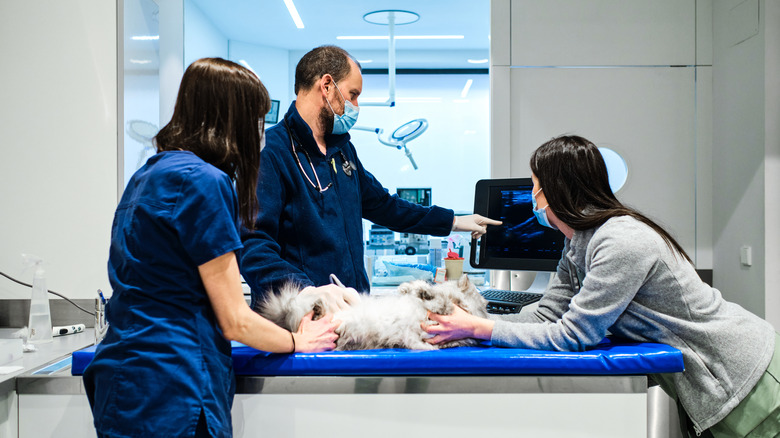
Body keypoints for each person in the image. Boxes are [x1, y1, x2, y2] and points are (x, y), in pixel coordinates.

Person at [424, 135, 780, 437]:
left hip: (744, 377)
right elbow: (548, 315)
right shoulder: (577, 241)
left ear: (552, 192)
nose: (532, 196)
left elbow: (572, 336)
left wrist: (480, 328)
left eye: (534, 186)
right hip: (710, 381)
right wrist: (470, 317)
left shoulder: (620, 242)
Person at [83, 58, 339, 438]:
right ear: (231, 118)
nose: (260, 132)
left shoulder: (147, 175)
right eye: (256, 119)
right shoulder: (205, 182)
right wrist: (297, 341)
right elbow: (233, 319)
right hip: (175, 390)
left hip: (123, 384)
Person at [240, 45, 500, 310]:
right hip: (301, 320)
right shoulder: (270, 152)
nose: (356, 106)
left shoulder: (341, 152)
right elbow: (254, 248)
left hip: (352, 316)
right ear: (327, 86)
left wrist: (454, 221)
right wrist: (308, 293)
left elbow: (386, 206)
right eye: (353, 95)